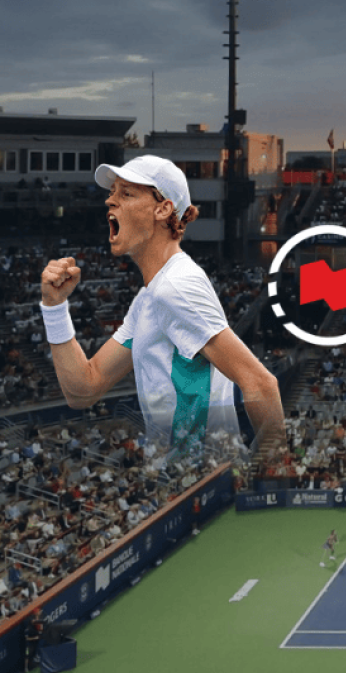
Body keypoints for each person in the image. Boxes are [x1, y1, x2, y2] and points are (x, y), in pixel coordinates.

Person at [39, 155, 284, 462]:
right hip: (186, 481)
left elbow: (260, 382)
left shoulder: (176, 287)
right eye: (112, 192)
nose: (110, 201)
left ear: (163, 209)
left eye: (126, 193)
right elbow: (83, 389)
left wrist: (272, 479)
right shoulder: (151, 297)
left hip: (201, 481)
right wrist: (54, 306)